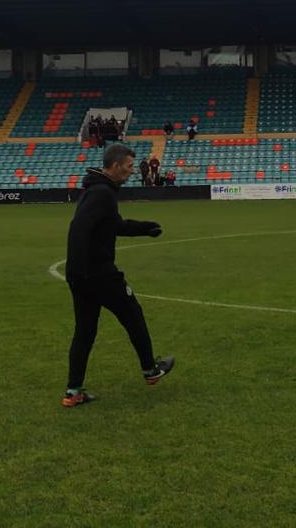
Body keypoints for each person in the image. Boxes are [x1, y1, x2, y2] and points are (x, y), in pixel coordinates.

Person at [63, 143, 174, 408]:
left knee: (85, 331)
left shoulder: (97, 190)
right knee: (132, 313)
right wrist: (84, 269)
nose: (131, 171)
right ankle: (150, 370)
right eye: (128, 166)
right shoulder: (102, 192)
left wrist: (144, 228)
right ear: (115, 166)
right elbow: (79, 229)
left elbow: (112, 226)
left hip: (82, 275)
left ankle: (73, 392)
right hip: (98, 274)